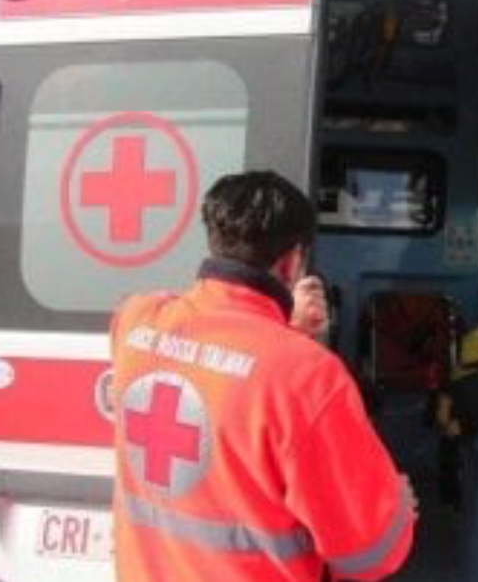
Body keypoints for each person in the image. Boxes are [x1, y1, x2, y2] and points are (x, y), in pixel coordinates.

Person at [110, 171, 416, 582]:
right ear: (292, 262)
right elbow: (368, 553)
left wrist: (282, 333)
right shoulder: (307, 375)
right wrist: (399, 502)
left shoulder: (135, 322)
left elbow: (219, 368)